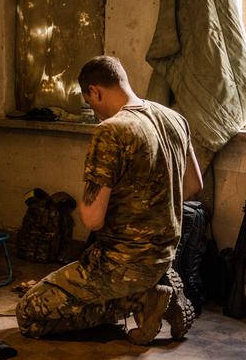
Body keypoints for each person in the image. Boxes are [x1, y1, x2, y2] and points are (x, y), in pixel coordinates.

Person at [16, 55, 203, 344]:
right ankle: (150, 289)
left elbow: (93, 219)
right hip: (164, 255)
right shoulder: (174, 119)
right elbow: (193, 185)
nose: (95, 110)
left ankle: (138, 299)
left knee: (29, 312)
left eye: (91, 103)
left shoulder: (111, 130)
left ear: (95, 91)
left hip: (120, 263)